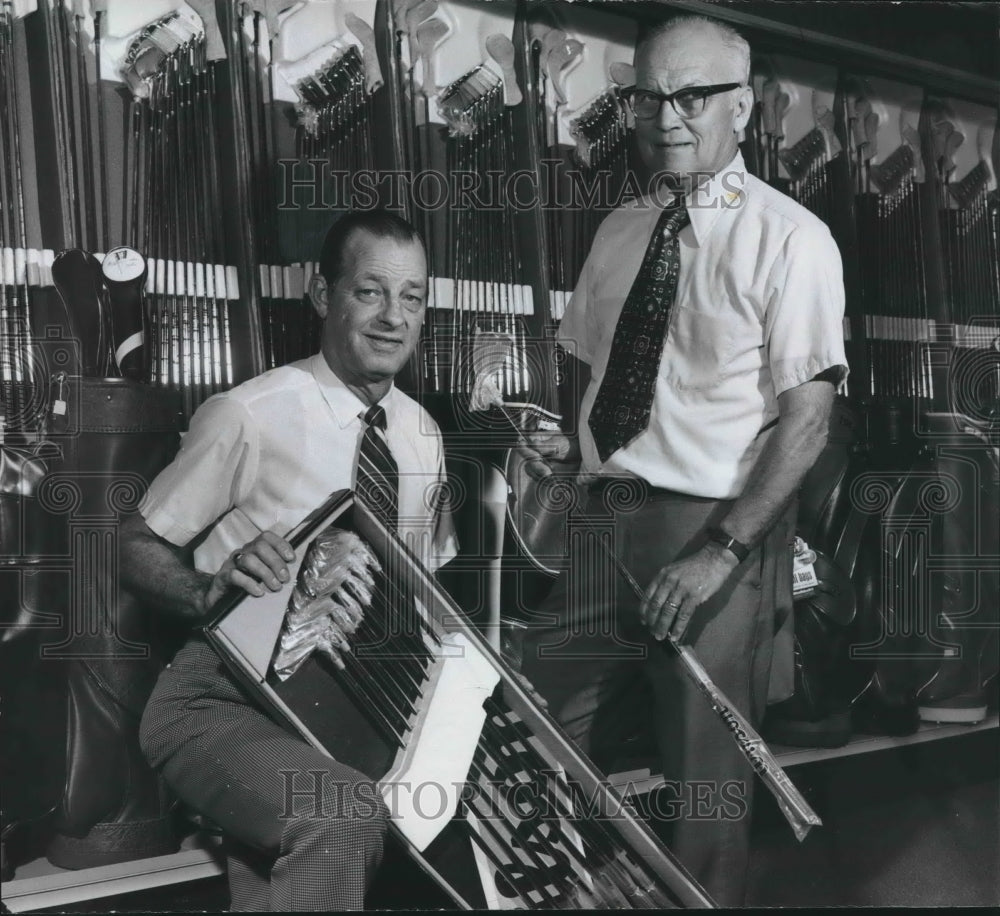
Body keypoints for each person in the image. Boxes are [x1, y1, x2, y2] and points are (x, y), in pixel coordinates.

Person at [517, 14, 847, 907]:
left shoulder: (793, 240)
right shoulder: (620, 231)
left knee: (704, 793)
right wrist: (575, 443)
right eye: (649, 95)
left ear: (741, 107)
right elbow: (586, 365)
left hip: (712, 533)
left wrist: (721, 552)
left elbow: (807, 423)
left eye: (693, 95)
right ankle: (582, 893)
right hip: (605, 522)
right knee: (525, 726)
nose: (669, 115)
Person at [121, 210, 456, 911]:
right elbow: (136, 547)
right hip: (220, 702)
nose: (393, 317)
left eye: (413, 297)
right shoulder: (249, 413)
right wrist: (209, 589)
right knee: (338, 814)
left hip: (351, 708)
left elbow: (426, 595)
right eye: (370, 291)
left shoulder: (423, 434)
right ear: (321, 292)